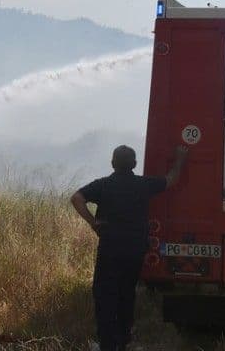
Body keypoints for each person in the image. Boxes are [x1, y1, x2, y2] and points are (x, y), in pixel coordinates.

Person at [71, 144, 188, 351]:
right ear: (134, 164)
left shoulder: (103, 185)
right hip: (135, 251)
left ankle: (107, 344)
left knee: (105, 296)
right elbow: (172, 179)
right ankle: (124, 341)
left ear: (113, 163)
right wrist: (180, 157)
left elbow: (76, 198)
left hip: (110, 250)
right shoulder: (143, 185)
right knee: (126, 293)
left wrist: (92, 222)